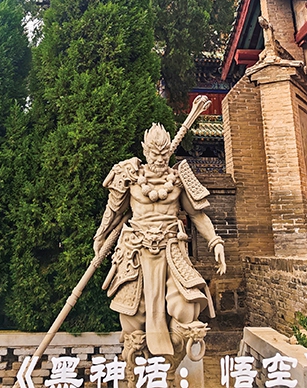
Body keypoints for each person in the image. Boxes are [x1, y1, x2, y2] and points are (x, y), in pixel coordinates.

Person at [93, 123, 226, 364]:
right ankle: (135, 369)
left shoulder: (178, 179)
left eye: (164, 154)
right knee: (133, 317)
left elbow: (197, 215)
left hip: (171, 251)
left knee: (186, 307)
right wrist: (100, 236)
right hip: (135, 253)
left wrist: (215, 241)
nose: (160, 159)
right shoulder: (130, 176)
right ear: (145, 151)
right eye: (155, 154)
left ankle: (171, 365)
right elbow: (113, 211)